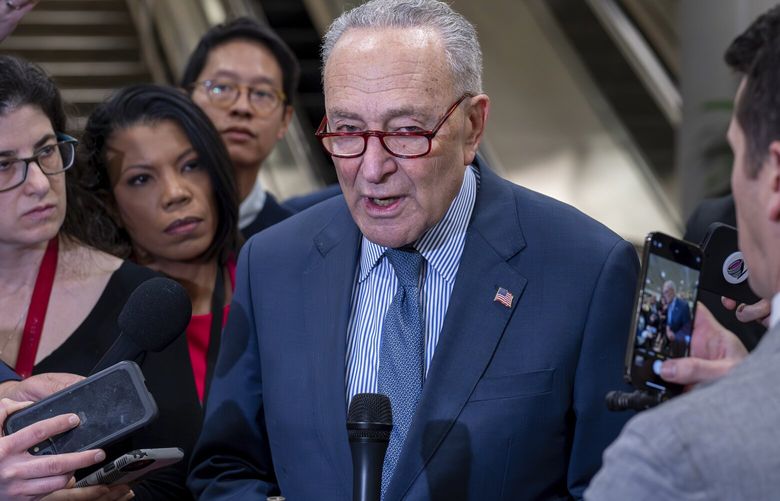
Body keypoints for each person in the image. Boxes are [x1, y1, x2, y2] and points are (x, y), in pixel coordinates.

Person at [188, 1, 638, 499]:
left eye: (405, 132)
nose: (372, 168)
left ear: (472, 125)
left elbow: (615, 487)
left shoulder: (587, 270)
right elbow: (225, 470)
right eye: (348, 130)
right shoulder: (273, 263)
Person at [586, 6, 780, 499]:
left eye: (737, 151)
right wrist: (748, 382)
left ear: (775, 181)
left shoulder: (668, 460)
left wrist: (741, 402)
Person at [79, 83, 240, 499]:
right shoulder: (93, 317)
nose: (176, 193)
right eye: (141, 179)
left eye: (191, 165)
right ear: (110, 204)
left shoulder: (272, 284)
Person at [0, 55, 144, 500]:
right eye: (3, 164)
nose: (40, 184)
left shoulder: (138, 298)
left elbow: (181, 476)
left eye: (46, 151)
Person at [180, 17, 299, 239]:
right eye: (222, 88)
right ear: (185, 101)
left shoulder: (295, 241)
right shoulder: (137, 225)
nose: (242, 107)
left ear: (285, 120)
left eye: (262, 93)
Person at [661, 281, 692, 357]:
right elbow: (669, 321)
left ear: (672, 291)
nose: (664, 295)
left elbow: (687, 328)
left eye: (666, 292)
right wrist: (667, 329)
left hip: (678, 345)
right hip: (667, 343)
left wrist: (675, 336)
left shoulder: (683, 306)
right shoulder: (669, 305)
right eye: (663, 293)